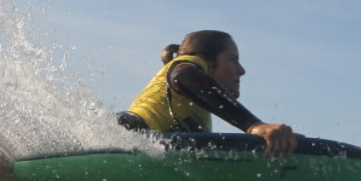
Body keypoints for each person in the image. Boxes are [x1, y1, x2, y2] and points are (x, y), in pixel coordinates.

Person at [117, 30, 298, 157]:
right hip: (126, 132)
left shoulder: (196, 107)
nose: (241, 70)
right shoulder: (187, 66)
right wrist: (253, 126)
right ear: (206, 63)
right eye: (233, 60)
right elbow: (183, 76)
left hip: (141, 149)